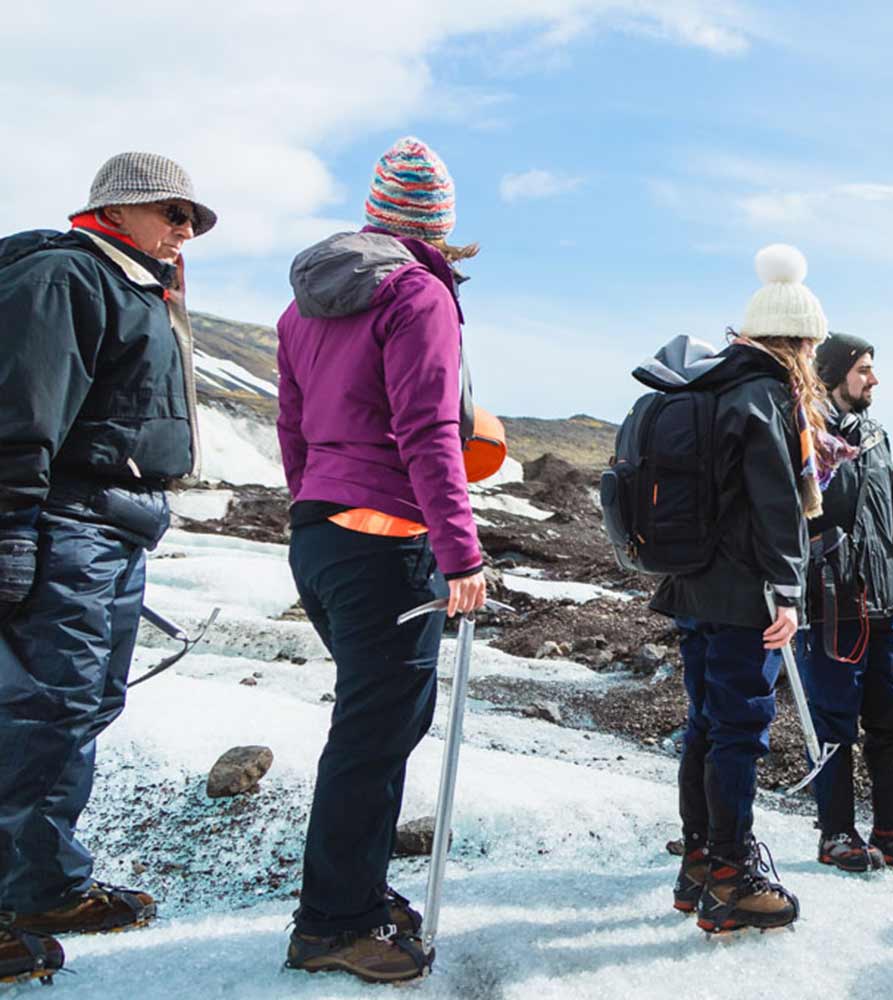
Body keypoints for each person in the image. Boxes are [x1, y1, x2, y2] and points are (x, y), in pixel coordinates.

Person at [276, 137, 487, 982]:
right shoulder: (417, 295)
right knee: (375, 732)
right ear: (435, 227)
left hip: (320, 534)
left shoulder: (303, 307)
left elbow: (293, 431)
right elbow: (428, 432)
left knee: (372, 723)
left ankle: (352, 894)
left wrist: (313, 506)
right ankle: (333, 922)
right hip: (385, 540)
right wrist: (460, 550)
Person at [0, 152, 214, 982]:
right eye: (172, 211)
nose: (184, 228)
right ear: (118, 209)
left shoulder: (137, 287)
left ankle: (45, 886)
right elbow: (22, 410)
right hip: (65, 521)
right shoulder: (65, 276)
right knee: (40, 710)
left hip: (114, 526)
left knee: (83, 703)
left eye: (193, 218)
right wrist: (12, 529)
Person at [648, 244, 840, 934]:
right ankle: (733, 876)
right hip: (742, 597)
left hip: (693, 587)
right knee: (739, 730)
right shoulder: (767, 395)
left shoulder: (712, 385)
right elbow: (777, 506)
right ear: (801, 342)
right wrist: (788, 593)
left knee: (707, 724)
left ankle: (699, 863)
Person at [795, 333, 893, 874]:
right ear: (834, 374)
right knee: (834, 723)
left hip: (885, 601)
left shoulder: (877, 436)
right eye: (863, 370)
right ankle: (835, 833)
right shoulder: (802, 432)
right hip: (829, 603)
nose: (874, 380)